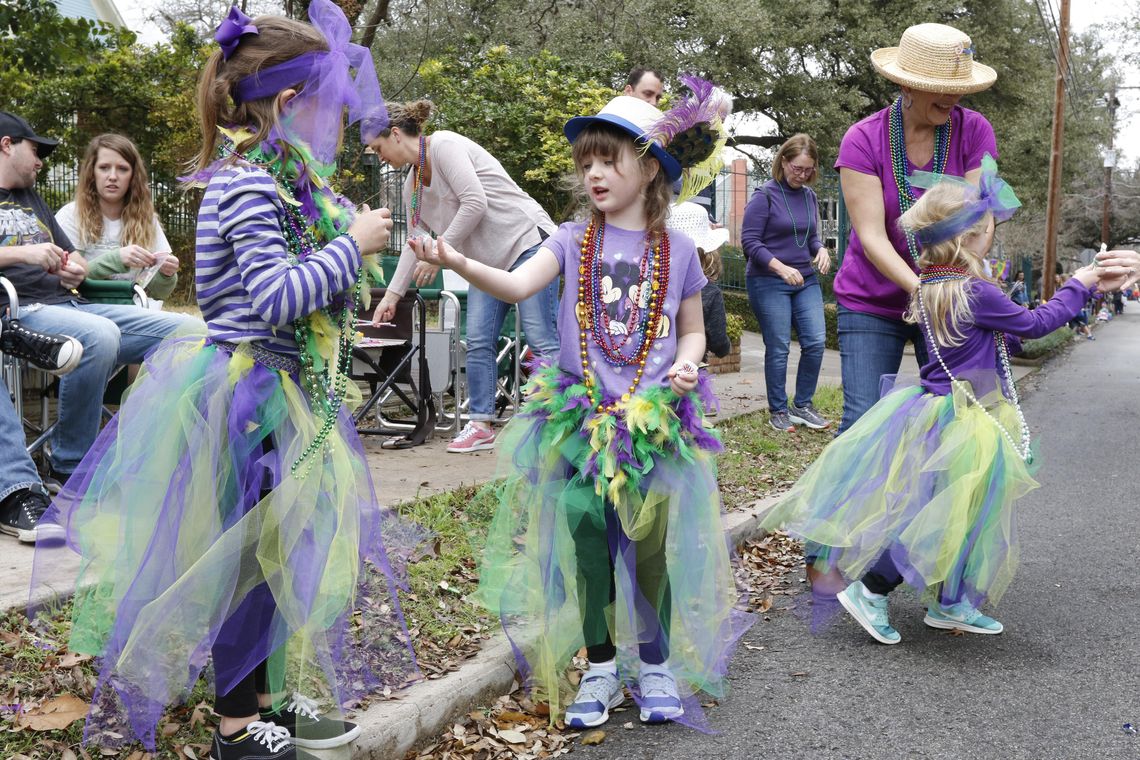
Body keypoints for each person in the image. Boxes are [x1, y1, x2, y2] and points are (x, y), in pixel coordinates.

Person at [34, 3, 417, 758]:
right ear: (286, 104)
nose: (336, 117)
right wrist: (352, 246)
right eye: (327, 101)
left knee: (282, 551)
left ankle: (267, 702)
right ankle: (235, 727)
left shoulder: (289, 181)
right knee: (248, 558)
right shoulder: (247, 186)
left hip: (292, 388)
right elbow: (275, 296)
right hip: (249, 397)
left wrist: (347, 248)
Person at [414, 87, 747, 729]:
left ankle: (652, 665)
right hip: (579, 420)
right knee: (589, 541)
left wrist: (689, 361)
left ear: (649, 168)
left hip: (653, 423)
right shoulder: (569, 241)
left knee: (646, 547)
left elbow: (694, 327)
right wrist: (455, 257)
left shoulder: (678, 251)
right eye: (586, 162)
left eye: (609, 159)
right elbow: (514, 284)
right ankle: (599, 666)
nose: (592, 173)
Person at [760, 166, 1109, 644]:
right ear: (969, 239)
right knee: (942, 515)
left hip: (939, 414)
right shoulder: (976, 292)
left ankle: (951, 602)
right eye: (987, 231)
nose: (991, 238)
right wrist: (1081, 283)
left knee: (956, 512)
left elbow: (997, 337)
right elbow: (1034, 324)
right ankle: (873, 590)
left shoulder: (931, 288)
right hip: (968, 421)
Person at [0, 110, 197, 488]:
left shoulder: (30, 197)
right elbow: (42, 253)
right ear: (7, 145)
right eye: (36, 150)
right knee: (100, 334)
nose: (41, 161)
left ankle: (160, 455)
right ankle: (70, 467)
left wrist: (74, 266)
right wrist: (25, 254)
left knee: (191, 331)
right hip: (22, 310)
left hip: (74, 305)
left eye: (121, 169)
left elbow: (71, 256)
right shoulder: (74, 211)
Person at [834, 23, 998, 435]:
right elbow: (871, 236)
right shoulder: (862, 139)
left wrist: (952, 288)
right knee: (864, 424)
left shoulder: (974, 130)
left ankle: (931, 501)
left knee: (957, 421)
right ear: (908, 86)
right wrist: (921, 289)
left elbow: (981, 218)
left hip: (950, 299)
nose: (954, 96)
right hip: (873, 301)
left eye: (958, 86)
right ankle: (853, 502)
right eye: (941, 86)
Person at [369, 100, 559, 454]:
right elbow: (414, 241)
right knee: (479, 339)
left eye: (379, 148)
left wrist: (442, 253)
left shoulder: (444, 146)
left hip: (528, 244)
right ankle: (482, 424)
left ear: (395, 135)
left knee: (540, 337)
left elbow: (475, 202)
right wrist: (391, 298)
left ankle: (559, 422)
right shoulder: (413, 183)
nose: (380, 158)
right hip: (487, 264)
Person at [741, 133, 831, 432]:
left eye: (808, 170)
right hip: (768, 279)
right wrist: (780, 268)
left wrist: (820, 250)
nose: (802, 175)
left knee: (816, 341)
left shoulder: (809, 196)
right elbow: (750, 241)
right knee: (779, 347)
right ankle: (778, 410)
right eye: (797, 168)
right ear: (784, 162)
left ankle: (802, 405)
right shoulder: (764, 195)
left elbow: (811, 237)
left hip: (804, 279)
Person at [56, 134, 181, 300]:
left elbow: (159, 294)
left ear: (133, 176)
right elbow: (65, 280)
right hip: (84, 307)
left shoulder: (147, 219)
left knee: (194, 326)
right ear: (92, 173)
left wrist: (166, 275)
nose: (113, 176)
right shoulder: (70, 215)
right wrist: (116, 259)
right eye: (104, 167)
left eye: (122, 169)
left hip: (135, 309)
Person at [0, 314, 82, 542]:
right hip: (30, 302)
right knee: (100, 336)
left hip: (70, 299)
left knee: (184, 331)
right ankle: (17, 490)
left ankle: (8, 334)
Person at [667, 200, 731, 359]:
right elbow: (719, 343)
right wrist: (725, 347)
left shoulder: (649, 283)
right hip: (689, 372)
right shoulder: (709, 292)